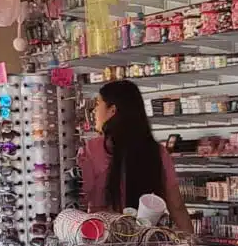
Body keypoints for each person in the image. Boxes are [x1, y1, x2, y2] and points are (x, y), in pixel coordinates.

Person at [81, 80, 194, 233]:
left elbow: (80, 199)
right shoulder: (156, 151)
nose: (94, 111)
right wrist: (190, 245)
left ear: (112, 110)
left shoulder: (92, 149)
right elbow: (177, 206)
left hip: (102, 239)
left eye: (98, 104)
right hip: (146, 240)